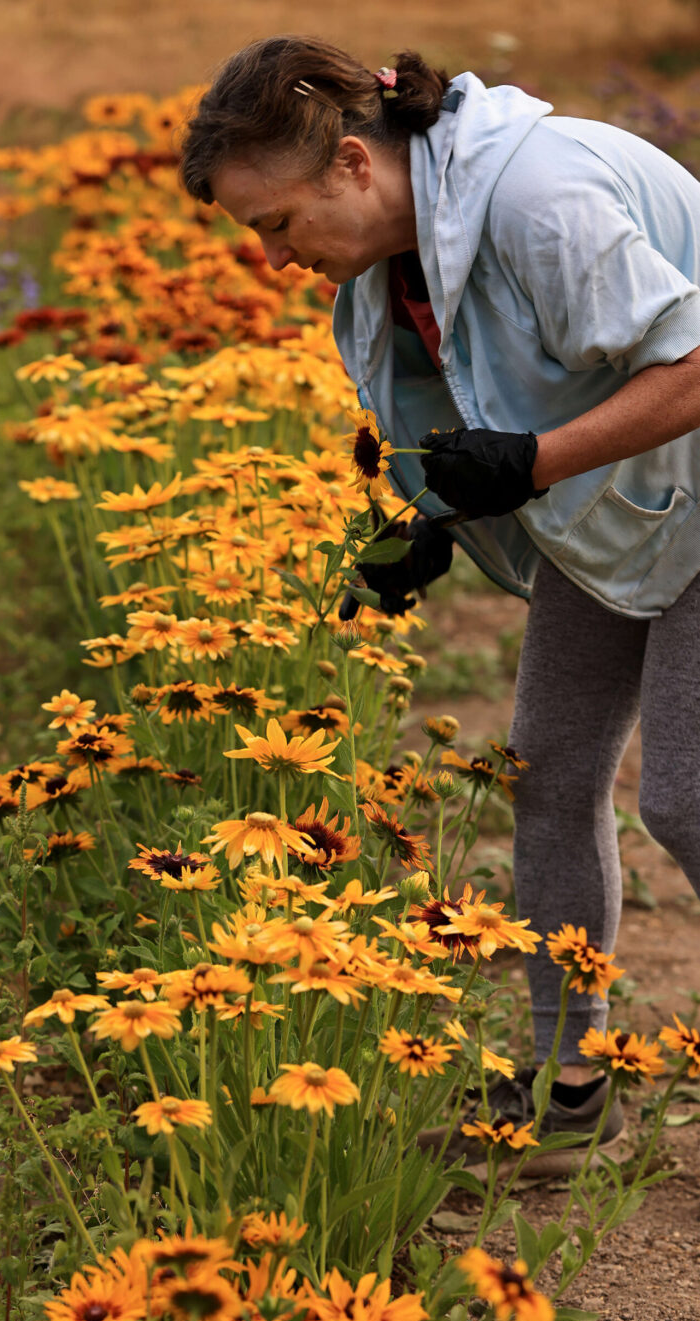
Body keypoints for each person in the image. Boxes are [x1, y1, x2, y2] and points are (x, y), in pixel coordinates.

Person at [178, 35, 700, 1162]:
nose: (272, 257)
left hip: (674, 470)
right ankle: (574, 1090)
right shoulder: (390, 257)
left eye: (274, 225)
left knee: (686, 798)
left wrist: (533, 461)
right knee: (545, 772)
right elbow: (476, 403)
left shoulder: (538, 198)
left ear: (353, 165)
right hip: (628, 497)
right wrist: (430, 517)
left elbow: (691, 367)